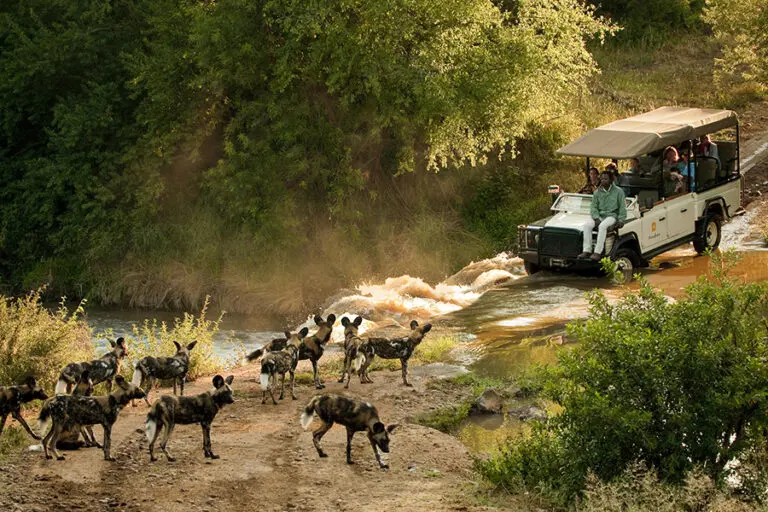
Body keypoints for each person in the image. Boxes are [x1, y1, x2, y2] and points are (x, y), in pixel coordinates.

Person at [579, 171, 627, 261]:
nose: (603, 180)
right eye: (602, 179)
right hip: (600, 215)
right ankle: (587, 250)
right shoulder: (597, 192)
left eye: (606, 179)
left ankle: (597, 252)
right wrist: (596, 217)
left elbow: (622, 208)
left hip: (612, 215)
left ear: (611, 180)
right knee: (587, 225)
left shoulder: (618, 192)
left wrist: (621, 220)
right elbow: (593, 207)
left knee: (602, 226)